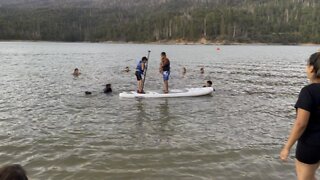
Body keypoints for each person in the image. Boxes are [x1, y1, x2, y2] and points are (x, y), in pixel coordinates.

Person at [280, 52, 320, 180]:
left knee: (304, 178)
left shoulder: (308, 92)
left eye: (307, 65)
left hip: (311, 144)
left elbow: (300, 124)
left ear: (312, 68)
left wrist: (287, 147)